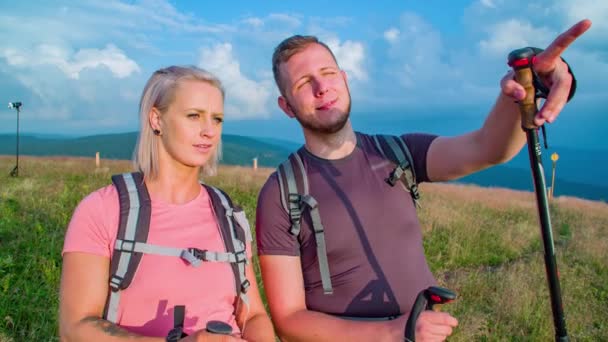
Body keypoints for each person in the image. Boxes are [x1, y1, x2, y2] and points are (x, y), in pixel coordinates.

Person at [255, 20, 592, 341]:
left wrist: (527, 83)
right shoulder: (282, 192)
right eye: (303, 83)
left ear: (344, 78)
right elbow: (289, 322)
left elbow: (487, 148)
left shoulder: (398, 152)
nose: (321, 87)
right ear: (286, 106)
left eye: (328, 73)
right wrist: (393, 333)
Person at [59, 66, 274, 341]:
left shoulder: (229, 216)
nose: (209, 131)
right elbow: (75, 328)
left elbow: (252, 314)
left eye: (217, 119)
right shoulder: (103, 210)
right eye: (194, 116)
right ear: (156, 119)